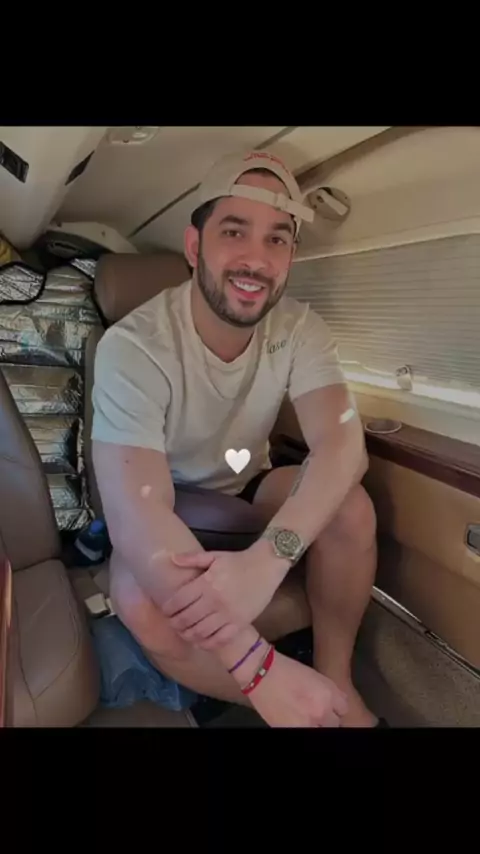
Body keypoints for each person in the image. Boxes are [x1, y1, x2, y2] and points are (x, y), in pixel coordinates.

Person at [91, 149, 379, 727]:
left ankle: (337, 685)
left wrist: (268, 559)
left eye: (277, 239)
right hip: (172, 504)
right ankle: (291, 704)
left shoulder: (300, 329)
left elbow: (344, 446)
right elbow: (139, 513)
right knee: (140, 600)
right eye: (234, 231)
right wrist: (256, 667)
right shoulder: (134, 346)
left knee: (352, 508)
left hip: (247, 488)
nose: (257, 258)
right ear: (194, 246)